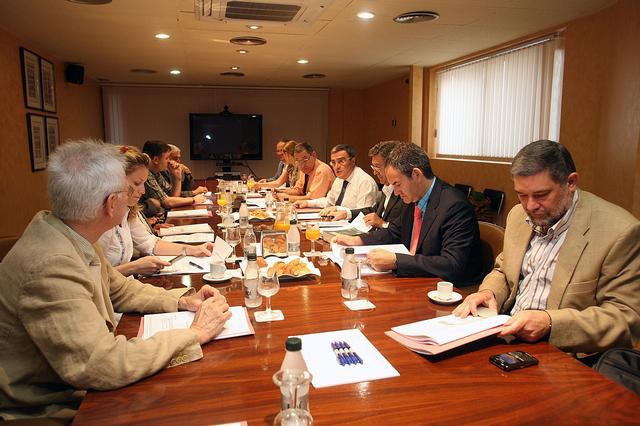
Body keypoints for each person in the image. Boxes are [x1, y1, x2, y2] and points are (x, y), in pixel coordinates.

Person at [0, 140, 231, 421]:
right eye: (128, 190)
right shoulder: (51, 265)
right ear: (111, 204)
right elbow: (100, 364)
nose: (137, 195)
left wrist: (183, 300)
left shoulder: (72, 231)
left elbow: (120, 290)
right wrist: (195, 334)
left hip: (77, 389)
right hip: (45, 409)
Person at [453, 140, 640, 356]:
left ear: (571, 182)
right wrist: (489, 292)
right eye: (522, 195)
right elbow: (504, 271)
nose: (530, 206)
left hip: (564, 353)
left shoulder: (619, 231)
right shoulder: (518, 215)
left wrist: (550, 323)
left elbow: (626, 319)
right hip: (506, 336)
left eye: (541, 195)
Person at [334, 142, 483, 283]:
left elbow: (451, 264)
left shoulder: (454, 206)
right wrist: (358, 240)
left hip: (449, 288)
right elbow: (394, 231)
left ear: (416, 174)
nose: (396, 192)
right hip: (415, 278)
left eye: (397, 184)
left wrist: (396, 261)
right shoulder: (412, 197)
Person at [98, 146, 214, 276]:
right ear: (115, 182)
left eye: (143, 183)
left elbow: (149, 243)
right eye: (137, 183)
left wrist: (193, 249)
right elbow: (94, 277)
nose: (143, 191)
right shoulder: (98, 220)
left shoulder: (127, 210)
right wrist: (133, 267)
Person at [321, 141, 402, 228]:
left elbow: (398, 230)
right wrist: (347, 213)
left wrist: (382, 224)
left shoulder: (366, 181)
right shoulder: (387, 187)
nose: (374, 172)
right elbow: (372, 210)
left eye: (377, 166)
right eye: (333, 162)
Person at [294, 144, 378, 210]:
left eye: (341, 161)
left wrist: (337, 209)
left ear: (352, 161)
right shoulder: (339, 179)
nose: (336, 167)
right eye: (333, 162)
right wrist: (307, 203)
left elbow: (363, 213)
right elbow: (329, 202)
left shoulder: (364, 182)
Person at [140, 140, 207, 217]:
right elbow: (167, 202)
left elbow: (172, 196)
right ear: (155, 160)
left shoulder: (156, 172)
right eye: (167, 158)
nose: (169, 161)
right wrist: (193, 200)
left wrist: (177, 177)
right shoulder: (146, 174)